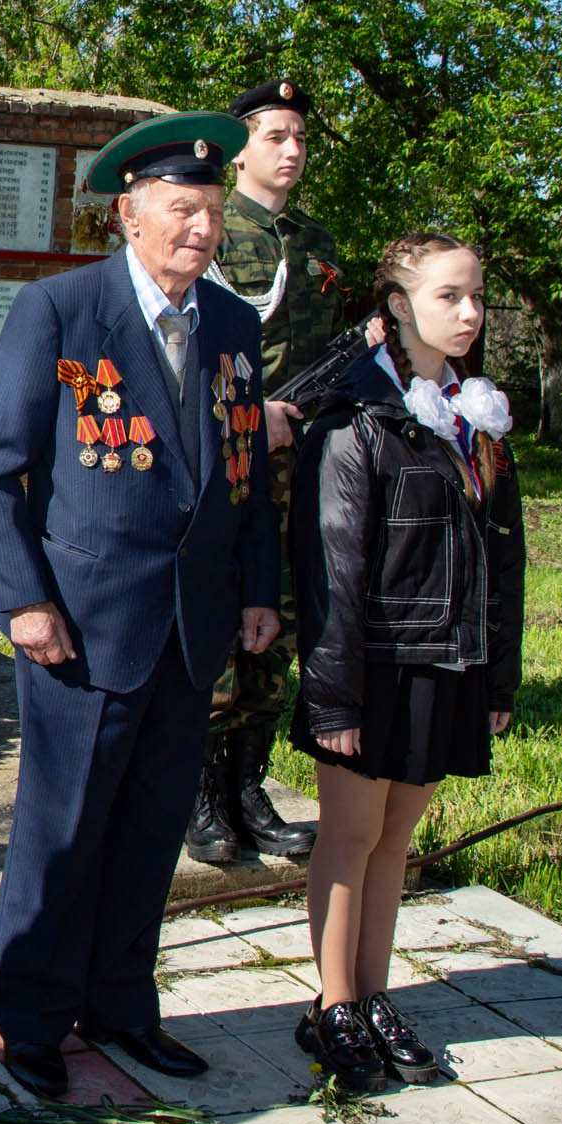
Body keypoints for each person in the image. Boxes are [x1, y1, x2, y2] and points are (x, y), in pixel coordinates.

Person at [0, 112, 282, 1099]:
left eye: (214, 212)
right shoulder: (66, 318)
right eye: (182, 210)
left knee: (149, 828)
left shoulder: (231, 327)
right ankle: (30, 1018)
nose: (201, 228)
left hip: (193, 627)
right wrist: (24, 600)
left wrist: (261, 591)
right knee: (63, 828)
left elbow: (243, 471)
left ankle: (121, 1005)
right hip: (84, 627)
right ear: (128, 216)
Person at [290, 232, 524, 1091]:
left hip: (448, 663)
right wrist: (334, 700)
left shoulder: (477, 416)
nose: (468, 314)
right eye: (448, 297)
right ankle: (334, 1005)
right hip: (374, 664)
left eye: (476, 298)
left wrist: (498, 676)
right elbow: (332, 572)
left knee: (396, 841)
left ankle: (375, 994)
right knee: (350, 837)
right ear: (396, 307)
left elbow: (506, 559)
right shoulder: (357, 423)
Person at [188, 77, 353, 865]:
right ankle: (204, 797)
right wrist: (257, 419)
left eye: (299, 136)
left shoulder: (316, 243)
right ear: (240, 146)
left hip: (306, 462)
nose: (291, 150)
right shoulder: (214, 230)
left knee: (279, 618)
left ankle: (252, 788)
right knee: (225, 614)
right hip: (235, 453)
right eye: (275, 135)